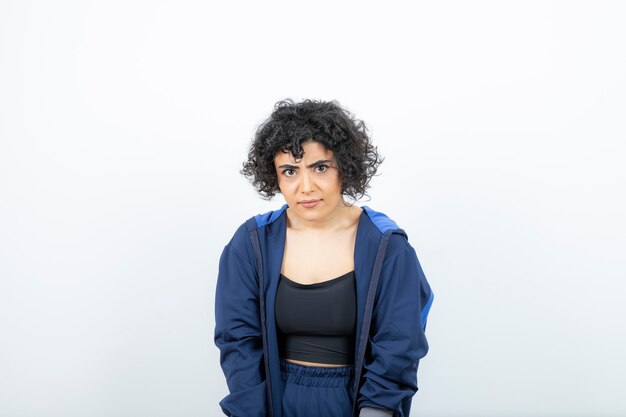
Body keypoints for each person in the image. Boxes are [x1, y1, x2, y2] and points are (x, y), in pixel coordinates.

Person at [214, 99, 434, 417]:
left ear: (344, 165)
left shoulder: (386, 245)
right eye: (290, 171)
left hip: (356, 403)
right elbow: (237, 340)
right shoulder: (251, 243)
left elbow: (399, 344)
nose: (306, 187)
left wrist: (376, 412)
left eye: (320, 167)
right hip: (273, 401)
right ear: (274, 175)